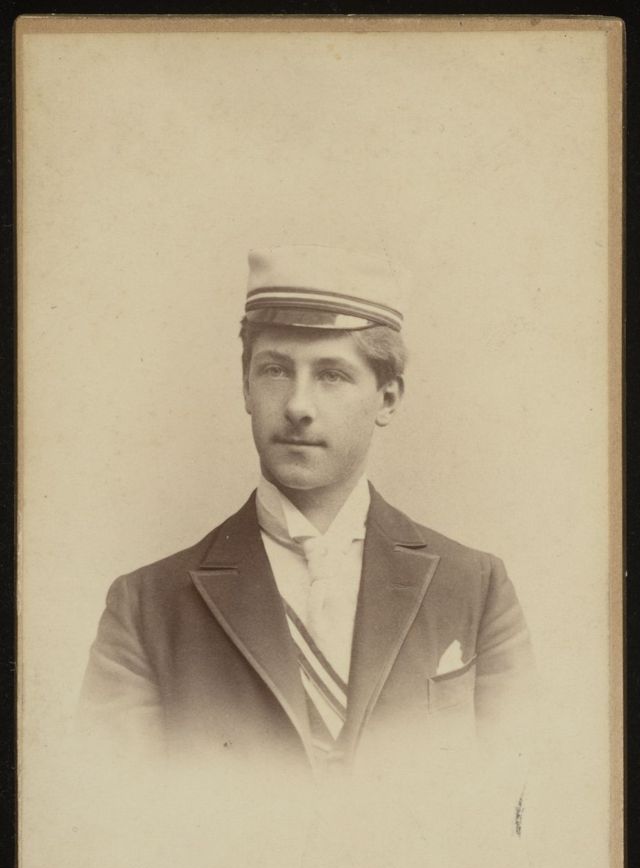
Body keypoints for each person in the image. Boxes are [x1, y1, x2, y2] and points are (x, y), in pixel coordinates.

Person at [79, 245, 535, 790]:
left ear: (388, 398)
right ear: (246, 386)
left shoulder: (476, 589)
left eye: (331, 375)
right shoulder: (145, 608)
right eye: (275, 370)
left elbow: (520, 801)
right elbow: (115, 815)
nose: (298, 405)